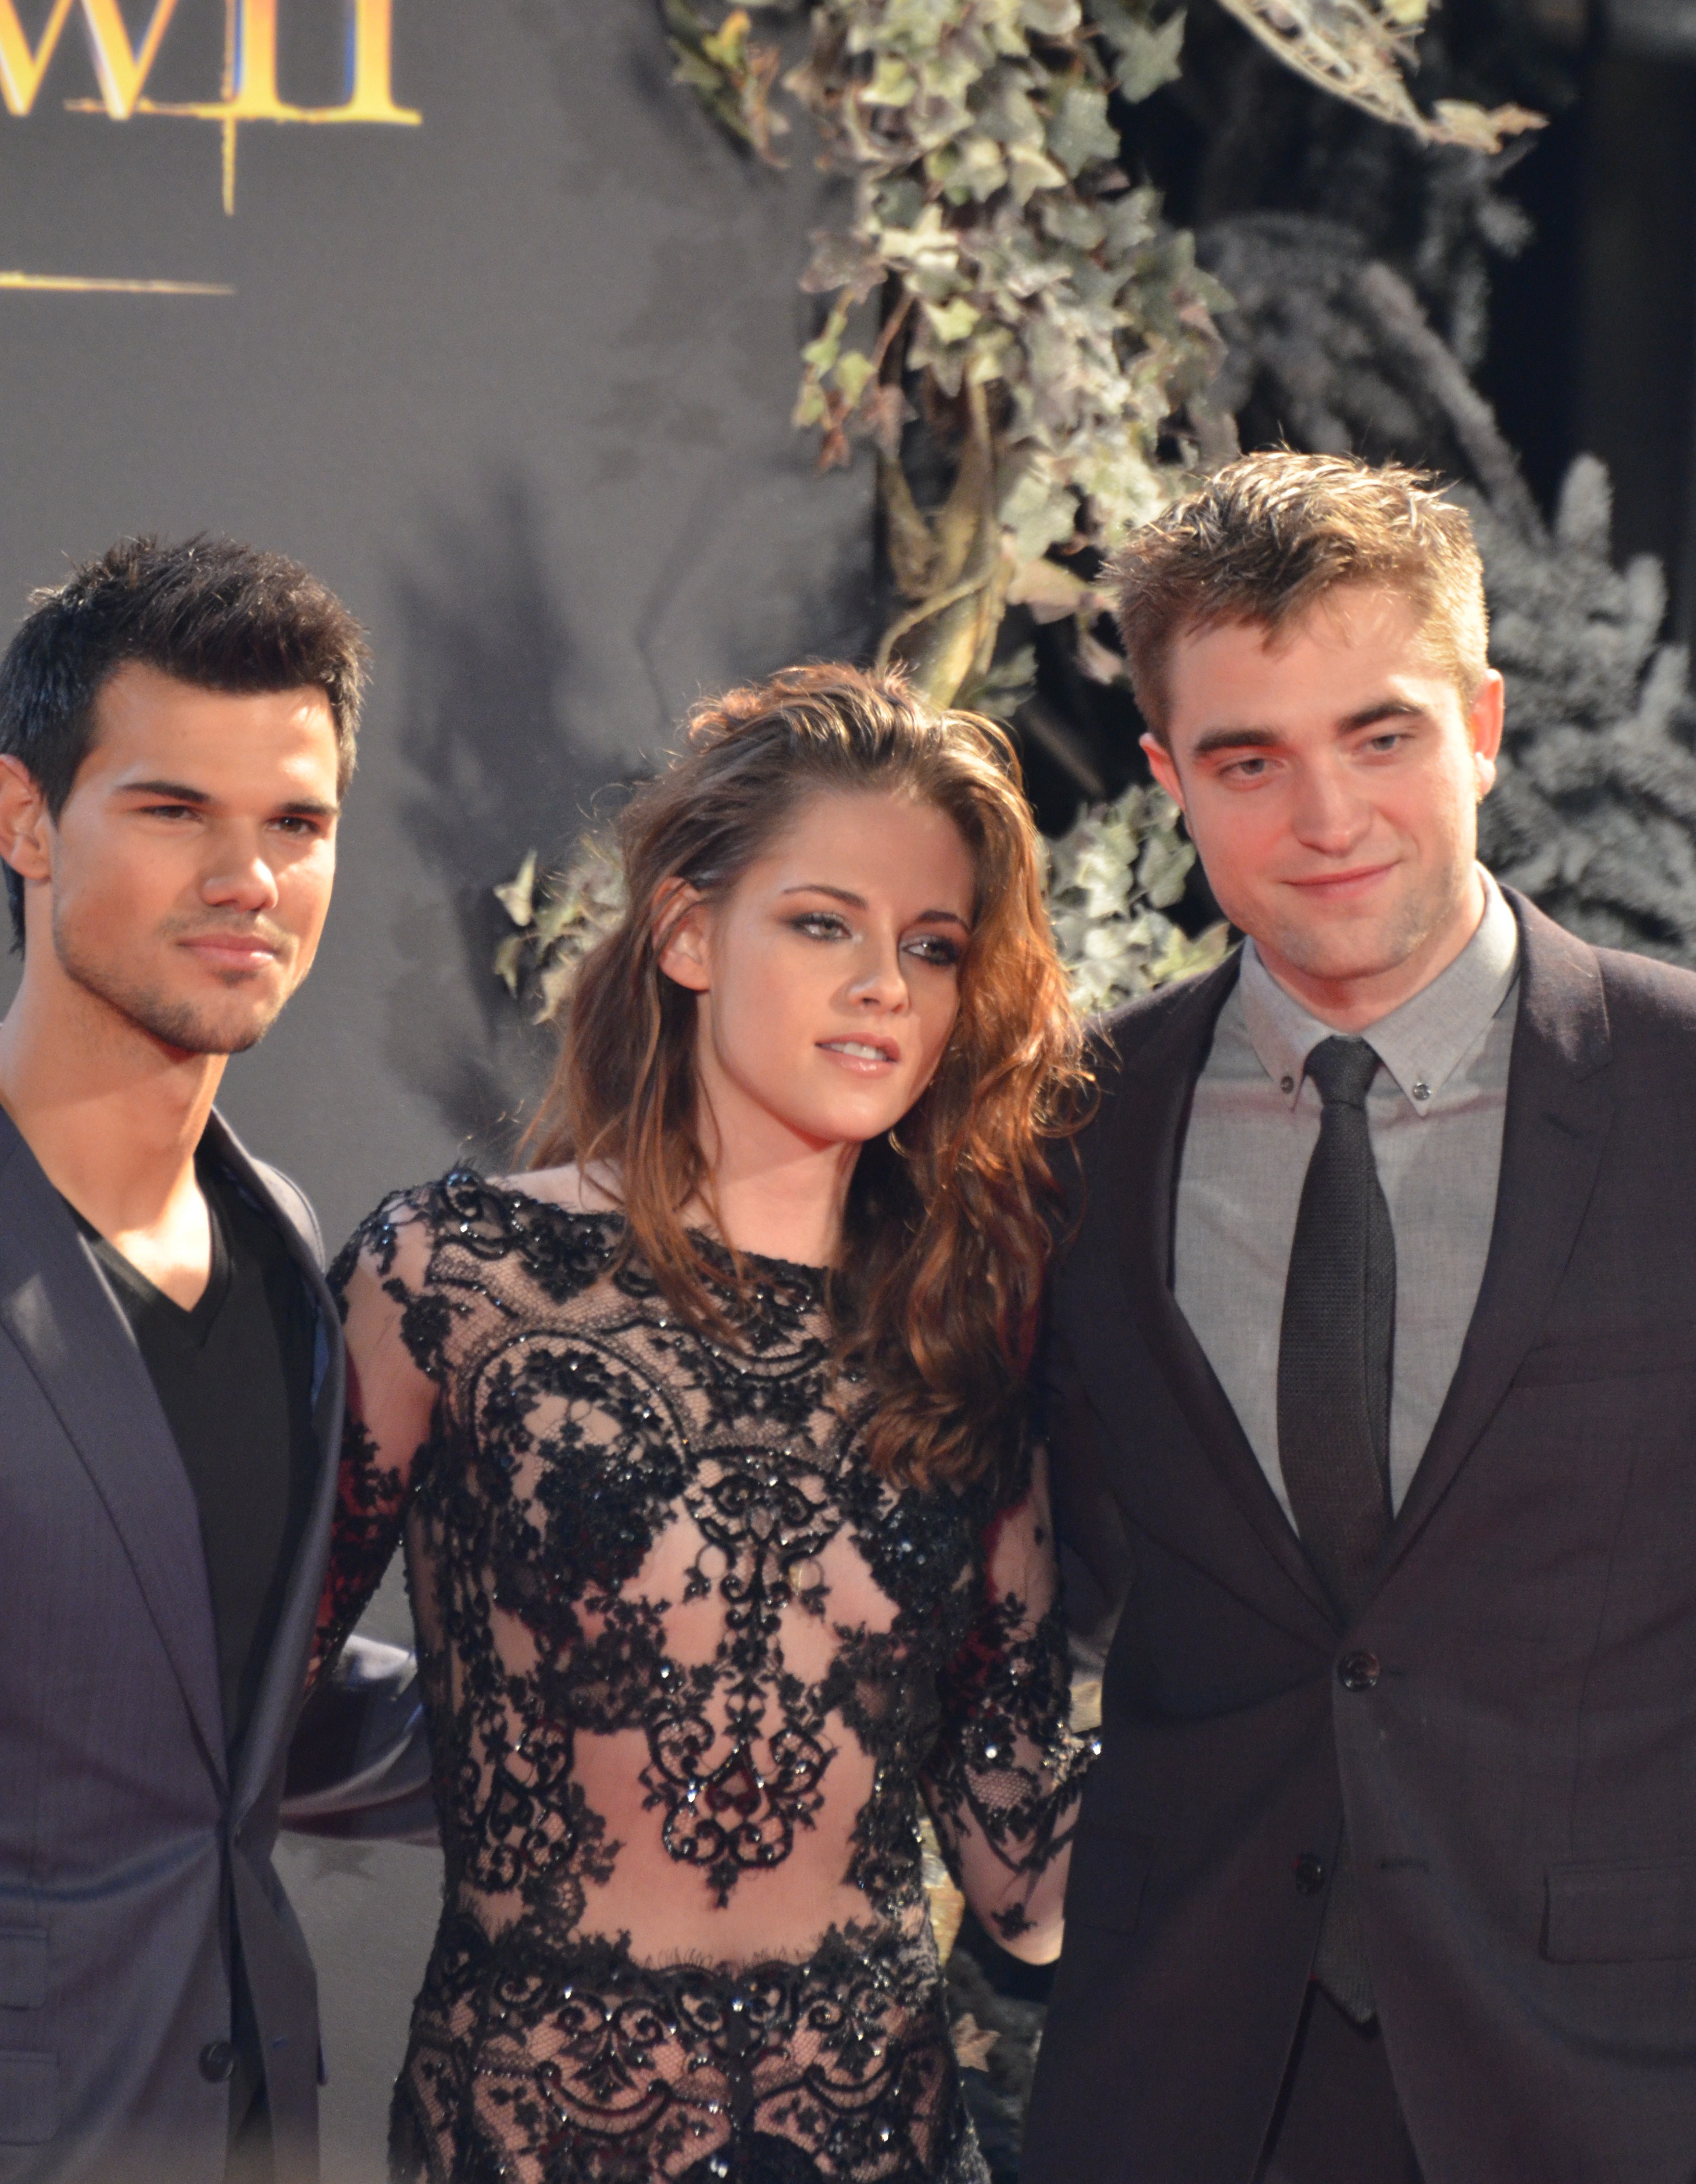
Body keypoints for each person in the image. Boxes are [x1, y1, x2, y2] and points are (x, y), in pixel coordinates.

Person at [317, 664, 1092, 2184]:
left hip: (883, 2140)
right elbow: (226, 1716)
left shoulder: (959, 1338)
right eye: (824, 924)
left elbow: (1025, 1878)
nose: (885, 986)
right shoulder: (453, 1281)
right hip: (533, 2139)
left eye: (931, 947)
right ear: (686, 932)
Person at [1022, 451, 1696, 2184]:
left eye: (1379, 736)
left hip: (1616, 2083)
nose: (1323, 819)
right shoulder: (1067, 1134)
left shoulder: (1682, 1088)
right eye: (1249, 761)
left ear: (1481, 726)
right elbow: (1035, 1571)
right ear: (1170, 779)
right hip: (1184, 2079)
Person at [0, 535, 371, 2184]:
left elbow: (214, 1708)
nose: (249, 879)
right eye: (172, 811)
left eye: (295, 824)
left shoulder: (281, 1237)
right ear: (23, 822)